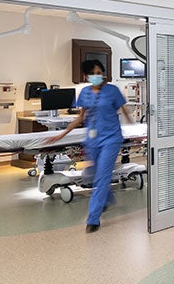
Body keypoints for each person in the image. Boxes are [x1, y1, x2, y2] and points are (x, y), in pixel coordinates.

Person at [47, 59, 133, 233]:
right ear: (87, 76)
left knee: (102, 176)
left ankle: (93, 218)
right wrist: (61, 134)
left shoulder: (113, 90)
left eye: (100, 72)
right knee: (92, 175)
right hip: (92, 140)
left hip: (111, 138)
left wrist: (135, 128)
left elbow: (124, 110)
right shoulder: (84, 92)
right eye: (94, 73)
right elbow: (81, 117)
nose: (98, 76)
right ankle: (107, 198)